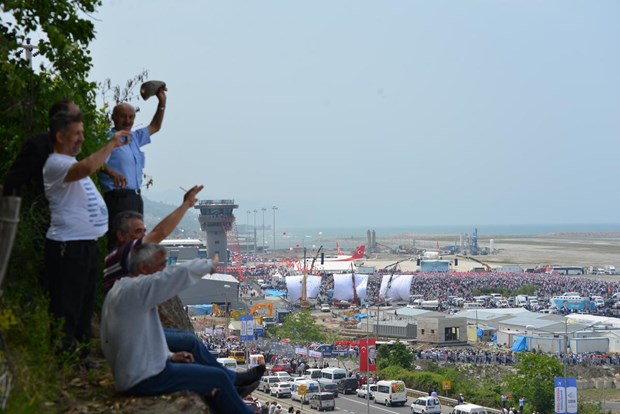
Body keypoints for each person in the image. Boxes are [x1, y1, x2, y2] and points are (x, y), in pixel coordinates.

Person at [102, 186, 264, 396]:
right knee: (189, 341)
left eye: (143, 231)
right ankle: (231, 382)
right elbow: (160, 234)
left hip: (130, 327)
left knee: (189, 340)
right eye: (138, 232)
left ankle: (230, 381)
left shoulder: (116, 258)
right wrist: (186, 205)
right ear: (121, 235)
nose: (144, 237)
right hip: (132, 333)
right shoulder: (124, 255)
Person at [101, 243, 253, 414]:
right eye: (161, 265)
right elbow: (175, 276)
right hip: (144, 378)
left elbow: (136, 339)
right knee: (218, 378)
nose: (164, 269)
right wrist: (209, 265)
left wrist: (168, 355)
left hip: (134, 373)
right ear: (143, 267)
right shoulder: (135, 290)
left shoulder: (121, 290)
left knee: (211, 376)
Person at [43, 110, 129, 356]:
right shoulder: (55, 163)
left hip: (86, 245)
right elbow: (88, 167)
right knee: (67, 306)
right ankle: (64, 356)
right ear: (60, 136)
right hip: (68, 245)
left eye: (82, 133)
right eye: (77, 133)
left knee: (84, 306)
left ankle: (80, 354)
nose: (82, 138)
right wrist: (112, 144)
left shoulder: (70, 163)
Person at [98, 87, 166, 248]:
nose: (128, 120)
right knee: (120, 241)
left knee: (136, 242)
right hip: (118, 198)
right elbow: (96, 162)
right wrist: (112, 172)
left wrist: (162, 102)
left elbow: (155, 126)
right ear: (114, 117)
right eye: (123, 116)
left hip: (135, 197)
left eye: (131, 117)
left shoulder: (134, 137)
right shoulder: (107, 138)